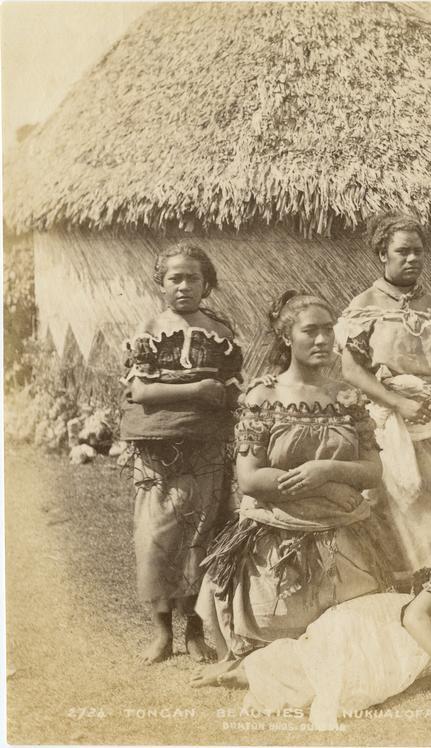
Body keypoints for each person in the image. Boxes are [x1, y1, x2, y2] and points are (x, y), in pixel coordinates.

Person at [194, 500, 431, 731]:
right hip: (390, 629)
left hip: (424, 655)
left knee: (321, 687)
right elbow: (414, 617)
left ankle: (243, 670)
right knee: (327, 680)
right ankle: (236, 670)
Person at [195, 292, 394, 678]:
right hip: (278, 538)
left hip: (342, 536)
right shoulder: (264, 396)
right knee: (281, 638)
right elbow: (251, 479)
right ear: (287, 337)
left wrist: (325, 470)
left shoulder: (347, 398)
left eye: (327, 330)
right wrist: (328, 488)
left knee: (352, 643)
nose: (322, 340)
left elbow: (372, 470)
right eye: (310, 331)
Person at [121, 242, 243, 664]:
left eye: (193, 277)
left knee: (199, 537)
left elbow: (230, 389)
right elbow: (141, 391)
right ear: (161, 283)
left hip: (206, 450)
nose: (184, 285)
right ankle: (160, 633)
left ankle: (193, 631)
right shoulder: (149, 329)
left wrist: (219, 396)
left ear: (206, 283)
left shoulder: (221, 332)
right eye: (175, 277)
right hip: (157, 453)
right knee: (154, 538)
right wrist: (196, 389)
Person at [337, 213, 431, 571]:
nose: (412, 259)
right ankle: (399, 583)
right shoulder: (365, 305)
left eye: (418, 251)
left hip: (430, 422)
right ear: (383, 254)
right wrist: (399, 402)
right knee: (393, 507)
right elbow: (351, 369)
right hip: (387, 426)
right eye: (403, 252)